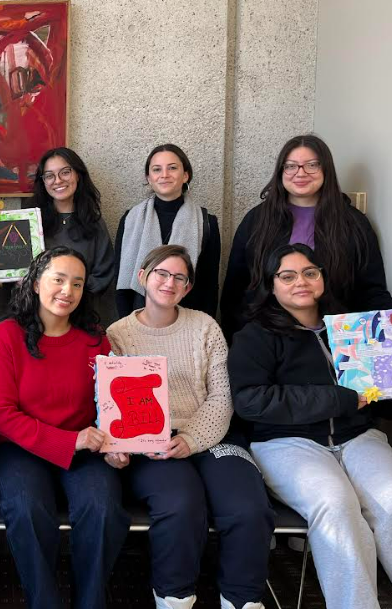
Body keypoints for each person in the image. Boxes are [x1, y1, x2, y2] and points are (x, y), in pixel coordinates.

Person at [228, 243, 392, 609]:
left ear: (323, 278)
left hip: (358, 437)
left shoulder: (354, 328)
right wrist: (340, 399)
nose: (301, 282)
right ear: (271, 284)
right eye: (287, 276)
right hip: (286, 444)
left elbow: (383, 393)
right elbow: (251, 401)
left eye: (310, 272)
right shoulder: (255, 336)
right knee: (336, 505)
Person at [106, 245, 273, 609]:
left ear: (187, 288)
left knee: (248, 506)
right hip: (152, 442)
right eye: (161, 274)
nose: (169, 283)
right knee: (180, 504)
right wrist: (122, 446)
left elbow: (223, 395)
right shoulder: (118, 334)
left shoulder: (205, 327)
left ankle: (243, 599)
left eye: (179, 277)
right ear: (142, 277)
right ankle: (175, 597)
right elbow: (113, 401)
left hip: (212, 435)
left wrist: (192, 437)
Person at [0, 247, 129, 609]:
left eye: (77, 284)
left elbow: (110, 406)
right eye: (59, 279)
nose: (68, 291)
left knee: (103, 508)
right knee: (26, 508)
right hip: (20, 448)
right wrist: (69, 441)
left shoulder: (95, 339)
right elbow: (1, 415)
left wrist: (117, 445)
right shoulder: (6, 335)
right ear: (36, 284)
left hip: (86, 449)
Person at [220, 134, 392, 340]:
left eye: (312, 165)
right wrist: (238, 339)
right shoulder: (257, 220)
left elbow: (371, 291)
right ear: (281, 172)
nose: (300, 173)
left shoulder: (353, 223)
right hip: (266, 337)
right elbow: (235, 289)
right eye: (291, 166)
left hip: (336, 338)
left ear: (326, 169)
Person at [115, 144, 220, 319]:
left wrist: (204, 326)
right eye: (157, 169)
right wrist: (126, 322)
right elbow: (121, 279)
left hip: (189, 319)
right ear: (149, 178)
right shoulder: (130, 219)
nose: (164, 175)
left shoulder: (206, 222)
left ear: (185, 175)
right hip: (139, 318)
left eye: (172, 168)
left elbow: (209, 285)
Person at [27, 147, 115, 296]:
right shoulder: (31, 221)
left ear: (78, 175)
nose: (58, 180)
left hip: (80, 305)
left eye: (65, 172)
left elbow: (103, 274)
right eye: (49, 176)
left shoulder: (94, 222)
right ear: (43, 182)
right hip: (35, 305)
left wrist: (70, 291)